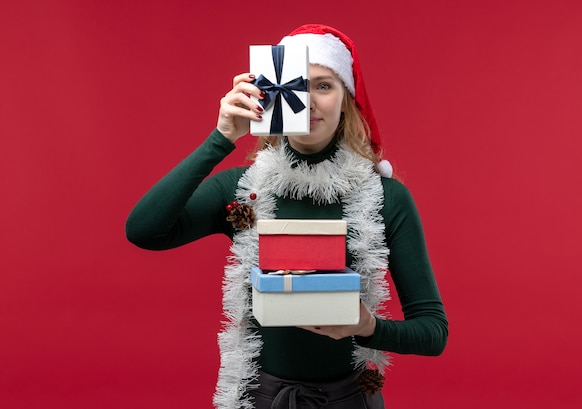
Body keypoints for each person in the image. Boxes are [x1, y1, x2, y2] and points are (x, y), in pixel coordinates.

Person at [126, 24, 448, 409]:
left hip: (350, 400)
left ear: (346, 99)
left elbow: (433, 331)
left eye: (324, 86)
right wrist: (222, 137)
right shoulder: (244, 188)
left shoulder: (386, 197)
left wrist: (367, 326)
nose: (308, 101)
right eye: (296, 85)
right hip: (261, 398)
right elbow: (144, 230)